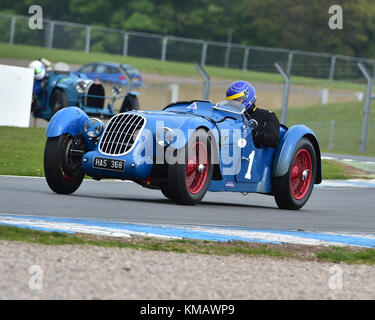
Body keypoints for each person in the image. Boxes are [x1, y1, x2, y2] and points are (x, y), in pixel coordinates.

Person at [226, 80, 280, 148]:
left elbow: (274, 141)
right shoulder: (227, 115)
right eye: (232, 101)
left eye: (238, 99)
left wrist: (254, 134)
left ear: (248, 97)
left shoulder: (268, 116)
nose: (234, 103)